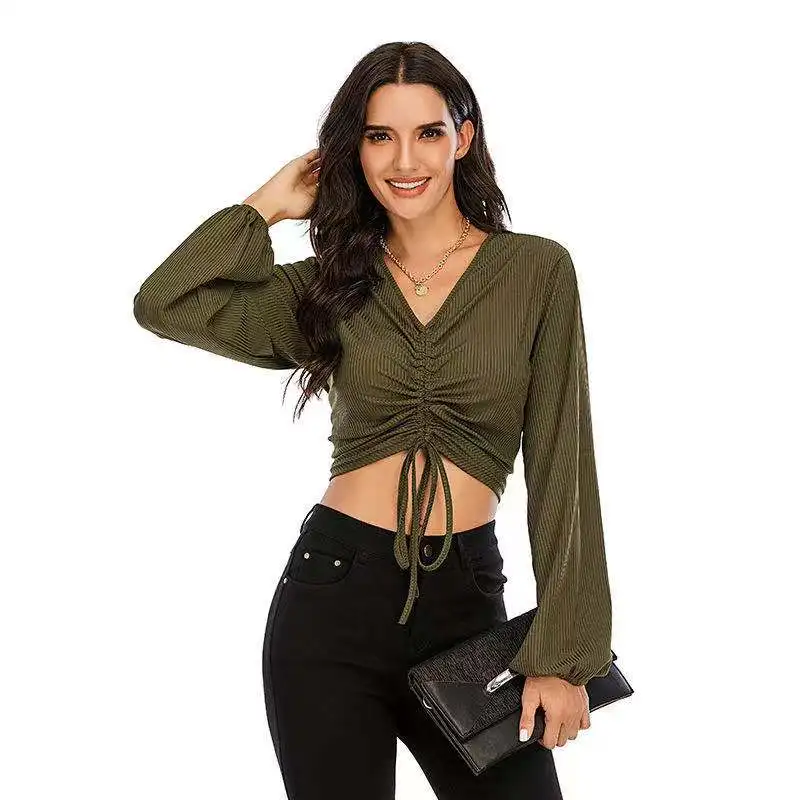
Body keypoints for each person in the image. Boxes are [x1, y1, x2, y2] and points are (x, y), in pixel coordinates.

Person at [132, 41, 614, 800]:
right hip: (333, 597)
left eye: (428, 132)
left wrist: (564, 655)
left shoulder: (537, 271)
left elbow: (564, 467)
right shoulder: (330, 286)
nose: (404, 160)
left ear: (463, 137)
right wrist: (263, 207)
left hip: (467, 603)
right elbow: (165, 303)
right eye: (379, 136)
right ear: (352, 150)